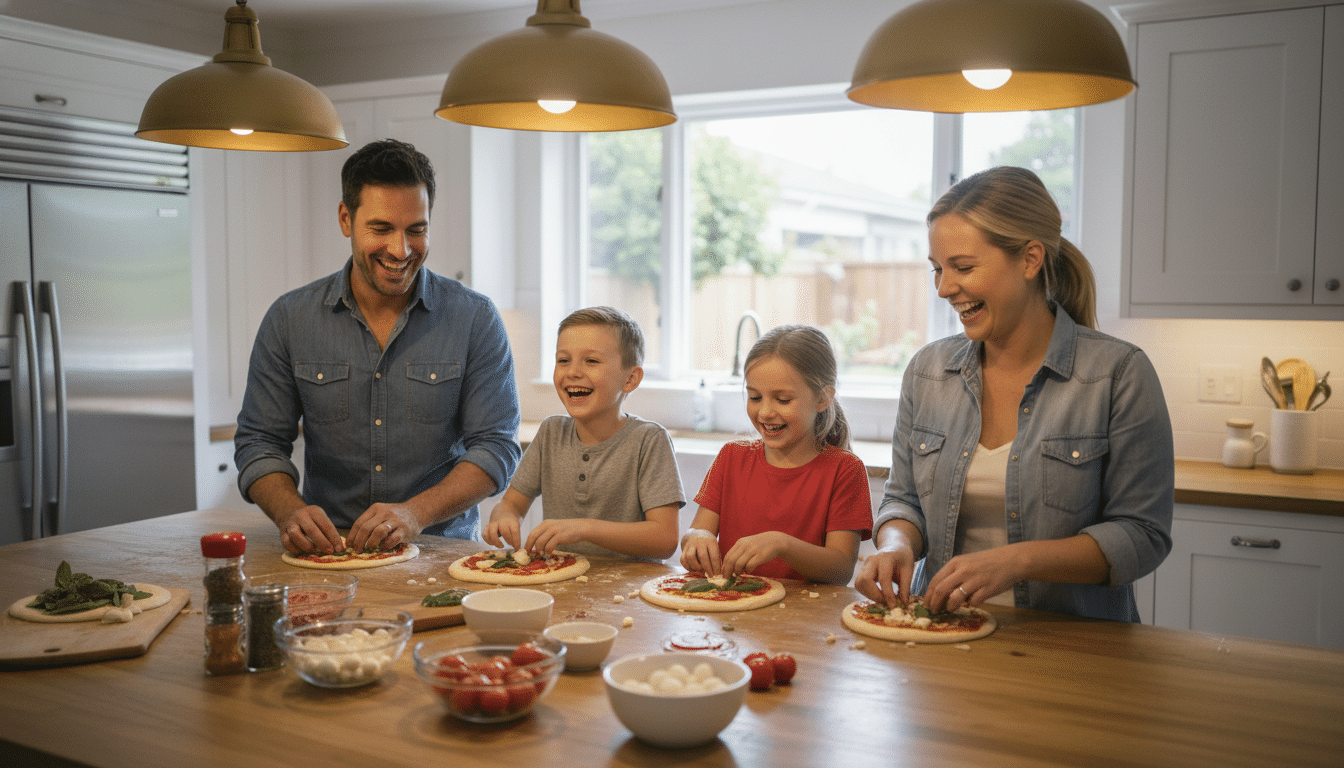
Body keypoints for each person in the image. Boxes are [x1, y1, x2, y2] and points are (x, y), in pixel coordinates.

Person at [855, 166, 1173, 622]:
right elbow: (903, 500)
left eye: (963, 267)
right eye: (938, 270)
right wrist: (896, 543)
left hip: (1074, 651)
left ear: (1029, 259)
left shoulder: (1118, 373)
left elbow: (1143, 536)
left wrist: (1018, 561)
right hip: (939, 635)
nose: (945, 288)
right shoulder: (928, 372)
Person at [234, 139, 521, 555]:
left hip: (442, 556)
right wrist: (289, 512)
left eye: (416, 230)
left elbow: (496, 446)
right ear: (346, 219)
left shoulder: (474, 318)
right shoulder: (290, 319)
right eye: (382, 229)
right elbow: (259, 442)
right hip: (328, 555)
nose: (401, 250)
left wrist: (415, 514)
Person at [482, 307, 684, 560]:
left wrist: (584, 528)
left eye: (591, 361)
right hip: (560, 580)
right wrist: (504, 518)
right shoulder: (551, 433)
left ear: (631, 378)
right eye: (563, 360)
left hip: (629, 593)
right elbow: (511, 503)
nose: (572, 372)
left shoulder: (649, 440)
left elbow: (664, 540)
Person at [679, 325, 873, 585]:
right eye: (755, 397)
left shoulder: (845, 469)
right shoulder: (731, 457)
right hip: (732, 609)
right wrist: (696, 538)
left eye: (782, 400)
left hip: (806, 617)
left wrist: (782, 544)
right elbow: (697, 530)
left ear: (823, 398)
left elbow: (840, 569)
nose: (765, 412)